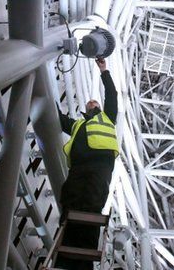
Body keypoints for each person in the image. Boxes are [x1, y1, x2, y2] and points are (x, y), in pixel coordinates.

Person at [55, 57, 119, 269]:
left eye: (95, 102)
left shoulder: (108, 117)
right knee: (70, 198)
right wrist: (48, 101)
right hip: (79, 168)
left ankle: (83, 263)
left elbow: (112, 94)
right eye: (89, 103)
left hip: (99, 165)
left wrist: (104, 71)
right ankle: (65, 257)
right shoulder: (78, 124)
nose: (92, 102)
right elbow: (61, 121)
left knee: (91, 202)